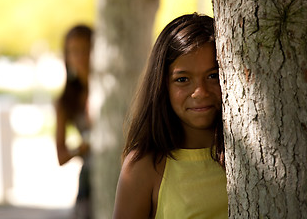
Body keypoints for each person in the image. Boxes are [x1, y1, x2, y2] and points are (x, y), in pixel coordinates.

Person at [113, 13, 227, 218]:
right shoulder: (145, 167)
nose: (200, 91)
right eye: (182, 79)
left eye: (213, 76)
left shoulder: (252, 153)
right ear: (162, 86)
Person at [55, 25, 93, 219]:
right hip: (90, 179)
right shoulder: (66, 101)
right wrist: (82, 148)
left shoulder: (113, 91)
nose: (79, 57)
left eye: (86, 50)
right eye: (73, 51)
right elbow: (61, 156)